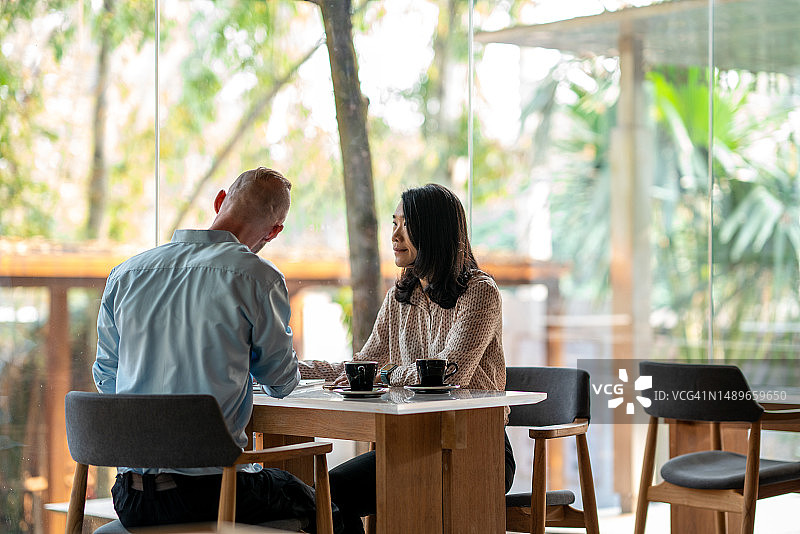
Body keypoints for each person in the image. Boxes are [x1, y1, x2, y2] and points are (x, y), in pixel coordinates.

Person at [93, 167, 342, 533]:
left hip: (131, 498)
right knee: (334, 511)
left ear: (220, 200)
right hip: (210, 493)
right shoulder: (257, 277)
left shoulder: (127, 273)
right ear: (274, 231)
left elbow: (106, 379)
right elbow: (281, 381)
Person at [299, 183, 514, 534]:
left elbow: (448, 371)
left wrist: (386, 376)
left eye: (406, 224)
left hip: (477, 448)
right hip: (411, 442)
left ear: (433, 230)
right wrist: (294, 368)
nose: (395, 235)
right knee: (325, 493)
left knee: (333, 492)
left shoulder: (480, 292)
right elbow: (363, 365)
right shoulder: (400, 297)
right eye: (394, 223)